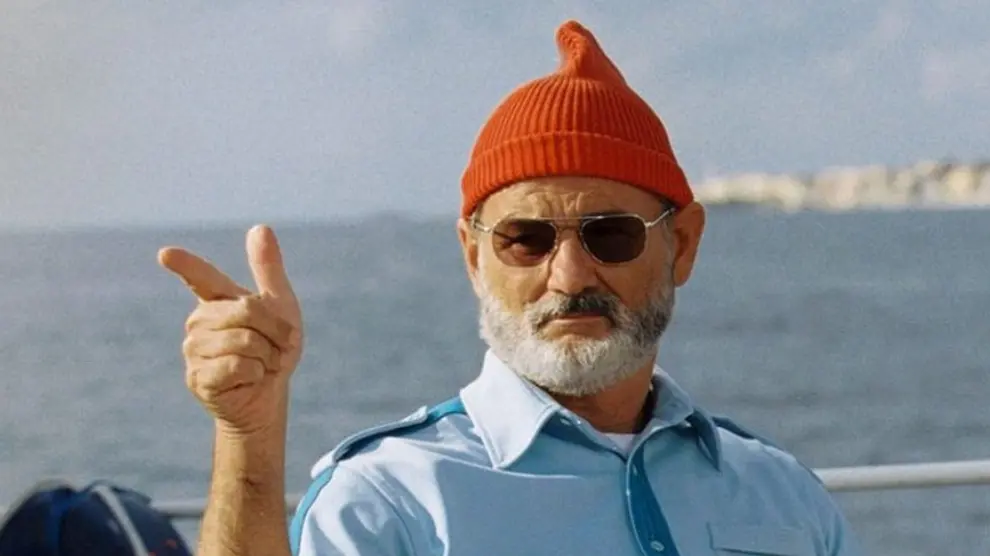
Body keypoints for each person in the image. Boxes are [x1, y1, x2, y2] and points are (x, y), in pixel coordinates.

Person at [158, 19, 862, 556]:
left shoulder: (782, 495)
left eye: (611, 235)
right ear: (474, 257)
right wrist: (248, 436)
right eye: (526, 238)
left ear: (681, 245)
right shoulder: (392, 501)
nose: (570, 275)